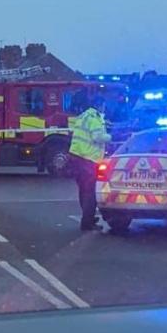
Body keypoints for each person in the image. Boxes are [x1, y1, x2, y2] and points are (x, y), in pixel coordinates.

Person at [68, 95, 111, 231]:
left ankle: (88, 218)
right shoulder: (95, 119)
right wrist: (111, 136)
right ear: (100, 105)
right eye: (103, 105)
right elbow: (97, 137)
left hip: (77, 156)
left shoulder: (84, 116)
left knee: (83, 190)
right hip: (88, 158)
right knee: (90, 192)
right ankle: (87, 223)